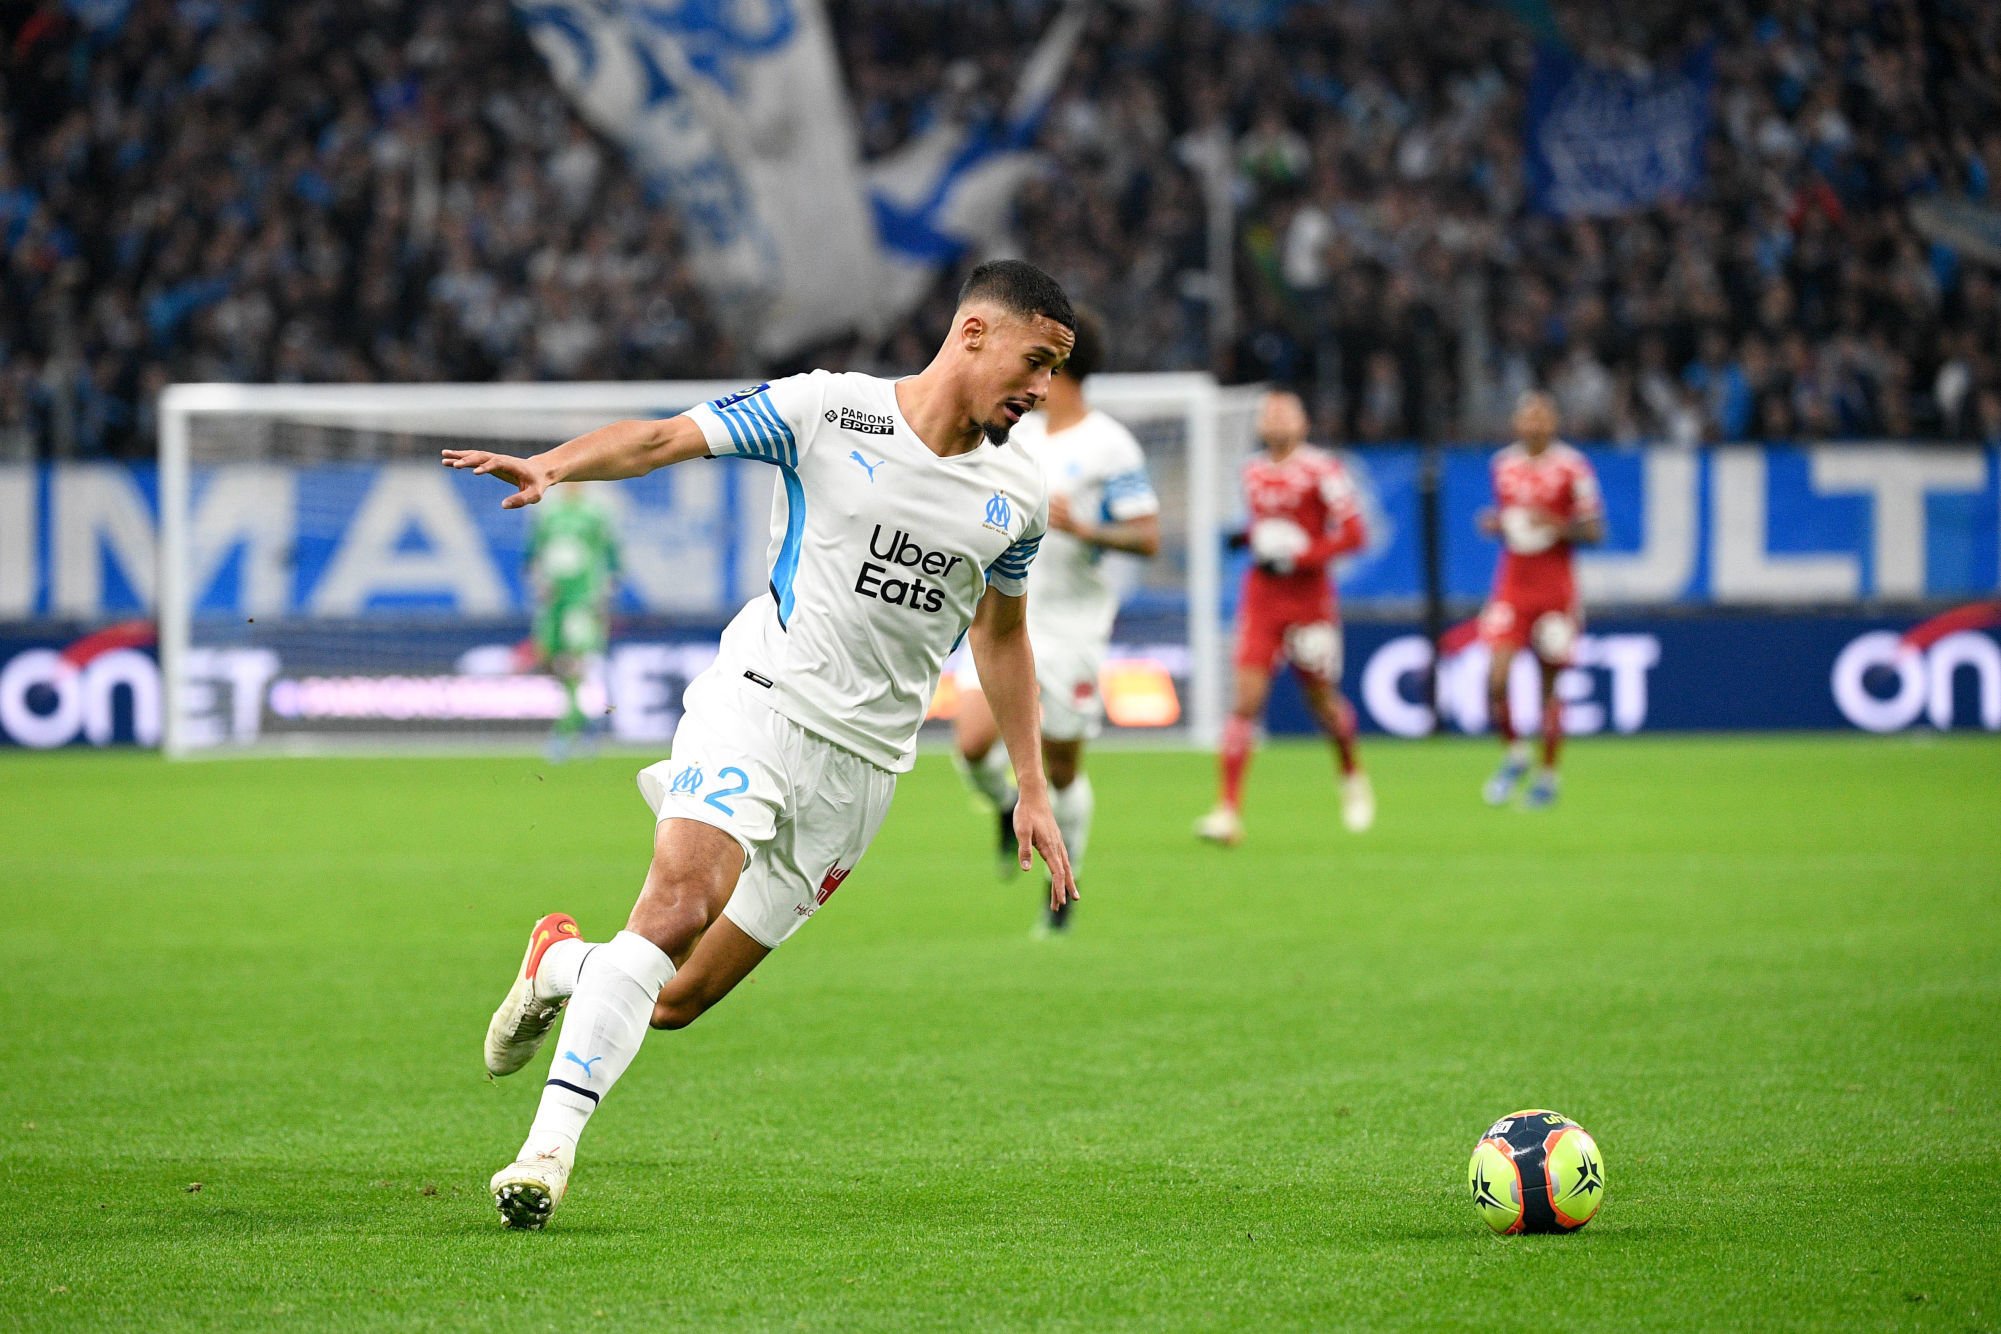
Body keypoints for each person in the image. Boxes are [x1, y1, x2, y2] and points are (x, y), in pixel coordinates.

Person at [441, 260, 1079, 1229]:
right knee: (677, 907)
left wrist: (1030, 785)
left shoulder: (1019, 494)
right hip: (759, 702)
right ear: (973, 333)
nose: (1042, 389)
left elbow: (1001, 636)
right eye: (1035, 361)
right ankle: (544, 1155)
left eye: (1055, 371)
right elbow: (665, 437)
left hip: (862, 771)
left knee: (674, 997)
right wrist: (556, 466)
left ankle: (559, 963)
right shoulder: (828, 409)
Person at [949, 309, 1161, 932]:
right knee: (970, 745)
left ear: (1060, 365)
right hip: (1002, 616)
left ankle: (1063, 885)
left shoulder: (1109, 445)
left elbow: (1147, 536)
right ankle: (1009, 805)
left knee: (1061, 769)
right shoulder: (1016, 433)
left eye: (1037, 361)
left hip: (1072, 629)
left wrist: (1086, 527)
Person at [1195, 388, 1372, 847]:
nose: (1275, 419)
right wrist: (1247, 540)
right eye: (1269, 413)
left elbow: (1355, 534)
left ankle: (1351, 774)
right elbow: (1265, 530)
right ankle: (1227, 811)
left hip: (1310, 601)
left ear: (1303, 423)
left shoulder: (1323, 470)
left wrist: (1302, 556)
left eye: (1284, 413)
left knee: (1323, 702)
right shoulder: (1251, 471)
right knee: (1245, 702)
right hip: (1262, 599)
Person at [1476, 390, 1605, 808]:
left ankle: (1548, 776)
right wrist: (1499, 525)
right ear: (1516, 423)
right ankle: (1516, 754)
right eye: (1528, 417)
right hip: (1513, 585)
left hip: (1555, 589)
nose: (1534, 424)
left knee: (1550, 682)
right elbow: (1513, 525)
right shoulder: (1502, 465)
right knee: (1496, 679)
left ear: (1553, 423)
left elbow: (1594, 531)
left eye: (1542, 417)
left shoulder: (1573, 467)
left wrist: (1552, 522)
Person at [525, 483, 620, 758]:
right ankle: (583, 722)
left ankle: (567, 730)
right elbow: (533, 553)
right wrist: (537, 582)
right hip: (553, 601)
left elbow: (611, 556)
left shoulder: (595, 514)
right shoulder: (547, 514)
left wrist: (605, 593)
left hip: (582, 599)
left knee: (575, 661)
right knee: (552, 660)